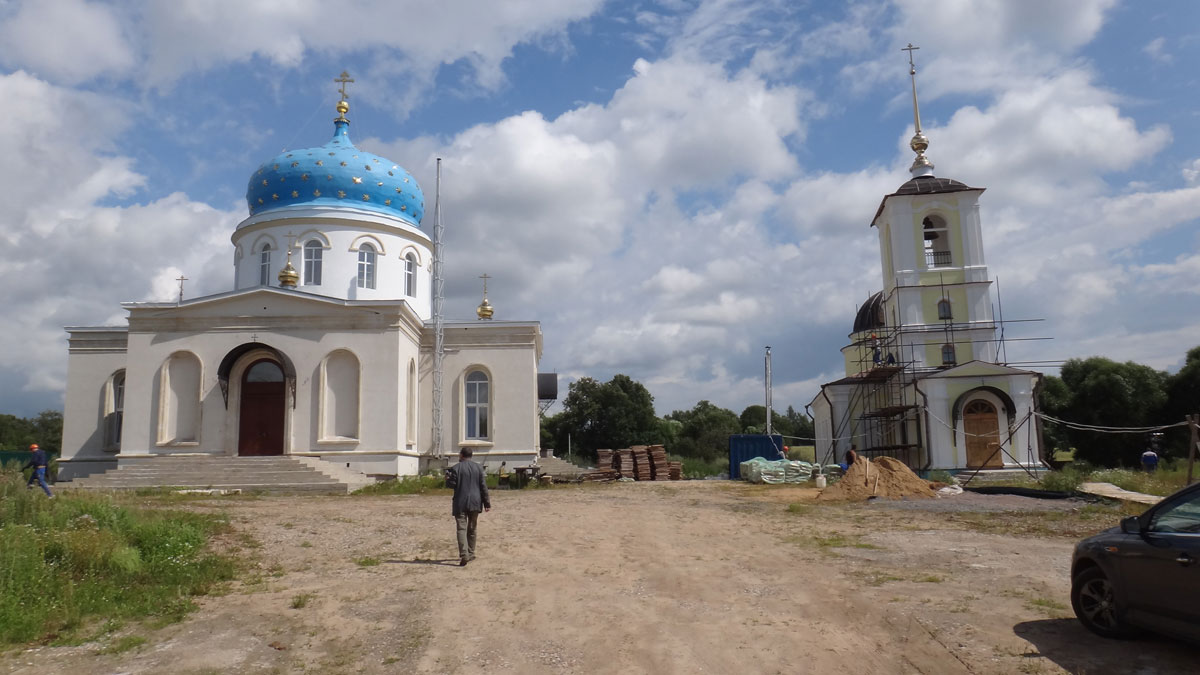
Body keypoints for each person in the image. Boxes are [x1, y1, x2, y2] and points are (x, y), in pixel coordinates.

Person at [445, 448, 491, 566]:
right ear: (471, 455)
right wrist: (487, 503)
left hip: (460, 502)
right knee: (472, 528)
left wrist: (447, 479)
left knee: (461, 529)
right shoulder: (479, 468)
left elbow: (451, 485)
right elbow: (483, 487)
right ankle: (471, 552)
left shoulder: (455, 468)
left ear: (461, 455)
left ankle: (464, 554)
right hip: (475, 502)